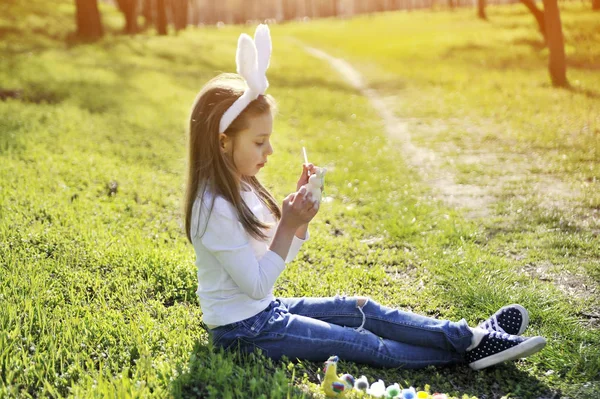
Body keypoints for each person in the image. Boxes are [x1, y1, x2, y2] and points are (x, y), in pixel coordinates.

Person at [183, 24, 546, 371]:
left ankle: (468, 337)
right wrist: (287, 225)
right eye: (259, 142)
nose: (270, 150)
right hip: (244, 332)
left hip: (265, 311)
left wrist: (299, 225)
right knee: (362, 343)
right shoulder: (212, 207)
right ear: (223, 141)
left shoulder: (244, 187)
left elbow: (272, 263)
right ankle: (471, 350)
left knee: (362, 309)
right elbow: (258, 283)